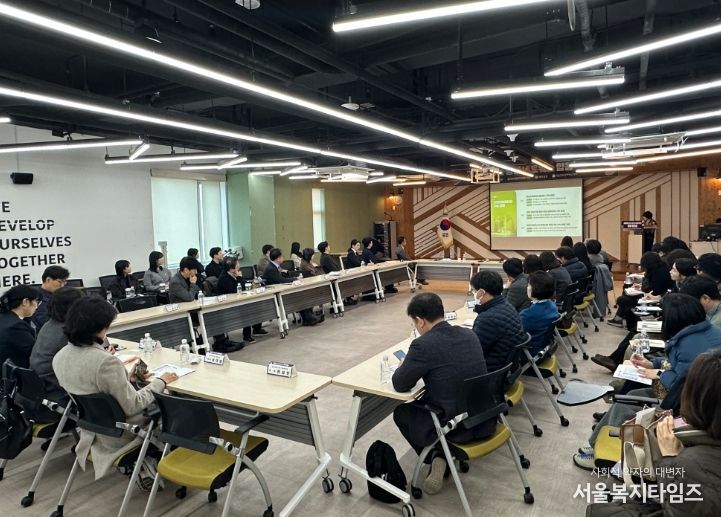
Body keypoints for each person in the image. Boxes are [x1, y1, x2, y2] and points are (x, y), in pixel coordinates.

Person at [575, 294, 721, 470]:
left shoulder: (690, 345)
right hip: (694, 401)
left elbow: (680, 385)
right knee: (632, 393)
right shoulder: (702, 332)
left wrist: (658, 373)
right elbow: (677, 366)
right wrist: (654, 363)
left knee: (624, 404)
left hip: (686, 406)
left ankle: (599, 453)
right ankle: (602, 432)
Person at [52, 297, 177, 481]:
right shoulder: (105, 362)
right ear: (99, 327)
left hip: (92, 428)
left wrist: (125, 379)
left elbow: (94, 389)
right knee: (175, 405)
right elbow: (133, 405)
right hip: (123, 432)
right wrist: (160, 381)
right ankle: (163, 462)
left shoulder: (59, 357)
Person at [586, 349, 721, 516]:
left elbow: (676, 504)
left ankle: (606, 483)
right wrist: (655, 365)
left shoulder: (692, 464)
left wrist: (669, 458)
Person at [392, 293, 494, 496]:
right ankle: (440, 455)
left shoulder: (423, 345)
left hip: (456, 426)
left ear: (420, 321)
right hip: (485, 416)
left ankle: (437, 455)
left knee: (402, 412)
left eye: (414, 323)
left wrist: (404, 365)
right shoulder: (469, 334)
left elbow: (400, 384)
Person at [29, 286, 84, 406]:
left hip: (40, 387)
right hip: (56, 390)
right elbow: (82, 365)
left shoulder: (49, 324)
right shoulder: (66, 331)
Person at [470, 270, 526, 372]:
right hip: (506, 365)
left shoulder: (487, 319)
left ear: (481, 292)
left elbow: (473, 351)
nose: (473, 293)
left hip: (491, 371)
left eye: (474, 290)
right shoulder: (507, 305)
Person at [607, 252, 674, 331]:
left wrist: (642, 288)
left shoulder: (659, 273)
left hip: (653, 298)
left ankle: (624, 321)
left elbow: (653, 290)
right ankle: (619, 318)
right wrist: (641, 287)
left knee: (623, 299)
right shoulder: (660, 268)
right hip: (652, 295)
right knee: (627, 293)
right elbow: (649, 285)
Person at [263, 248, 322, 326]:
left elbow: (283, 276)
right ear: (278, 258)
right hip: (276, 294)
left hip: (281, 289)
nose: (283, 258)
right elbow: (281, 280)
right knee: (300, 296)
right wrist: (296, 279)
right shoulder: (271, 268)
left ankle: (309, 317)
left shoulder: (275, 266)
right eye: (282, 256)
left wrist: (289, 274)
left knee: (302, 294)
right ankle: (308, 318)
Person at [520, 272, 560, 356]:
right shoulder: (552, 304)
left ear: (536, 289)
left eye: (529, 285)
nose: (527, 287)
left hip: (530, 352)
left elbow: (515, 335)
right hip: (544, 347)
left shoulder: (527, 315)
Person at [216, 257, 254, 344]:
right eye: (237, 265)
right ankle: (247, 335)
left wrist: (239, 278)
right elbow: (235, 290)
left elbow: (242, 288)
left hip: (236, 300)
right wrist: (239, 278)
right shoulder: (224, 278)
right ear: (231, 269)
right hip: (226, 304)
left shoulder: (233, 274)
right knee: (246, 309)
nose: (239, 266)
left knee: (252, 305)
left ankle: (255, 330)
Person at [0, 285, 40, 368]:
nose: (37, 306)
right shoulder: (16, 326)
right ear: (25, 302)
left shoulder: (4, 318)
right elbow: (35, 353)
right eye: (36, 301)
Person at [318, 241, 358, 306]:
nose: (329, 247)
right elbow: (334, 269)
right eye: (328, 246)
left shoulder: (325, 256)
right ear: (326, 248)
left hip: (334, 276)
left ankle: (348, 298)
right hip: (333, 278)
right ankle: (349, 298)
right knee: (349, 280)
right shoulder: (326, 257)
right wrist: (341, 272)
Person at [33, 265, 70, 330]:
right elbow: (43, 322)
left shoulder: (62, 295)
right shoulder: (37, 298)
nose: (62, 285)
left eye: (64, 282)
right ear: (48, 280)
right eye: (59, 282)